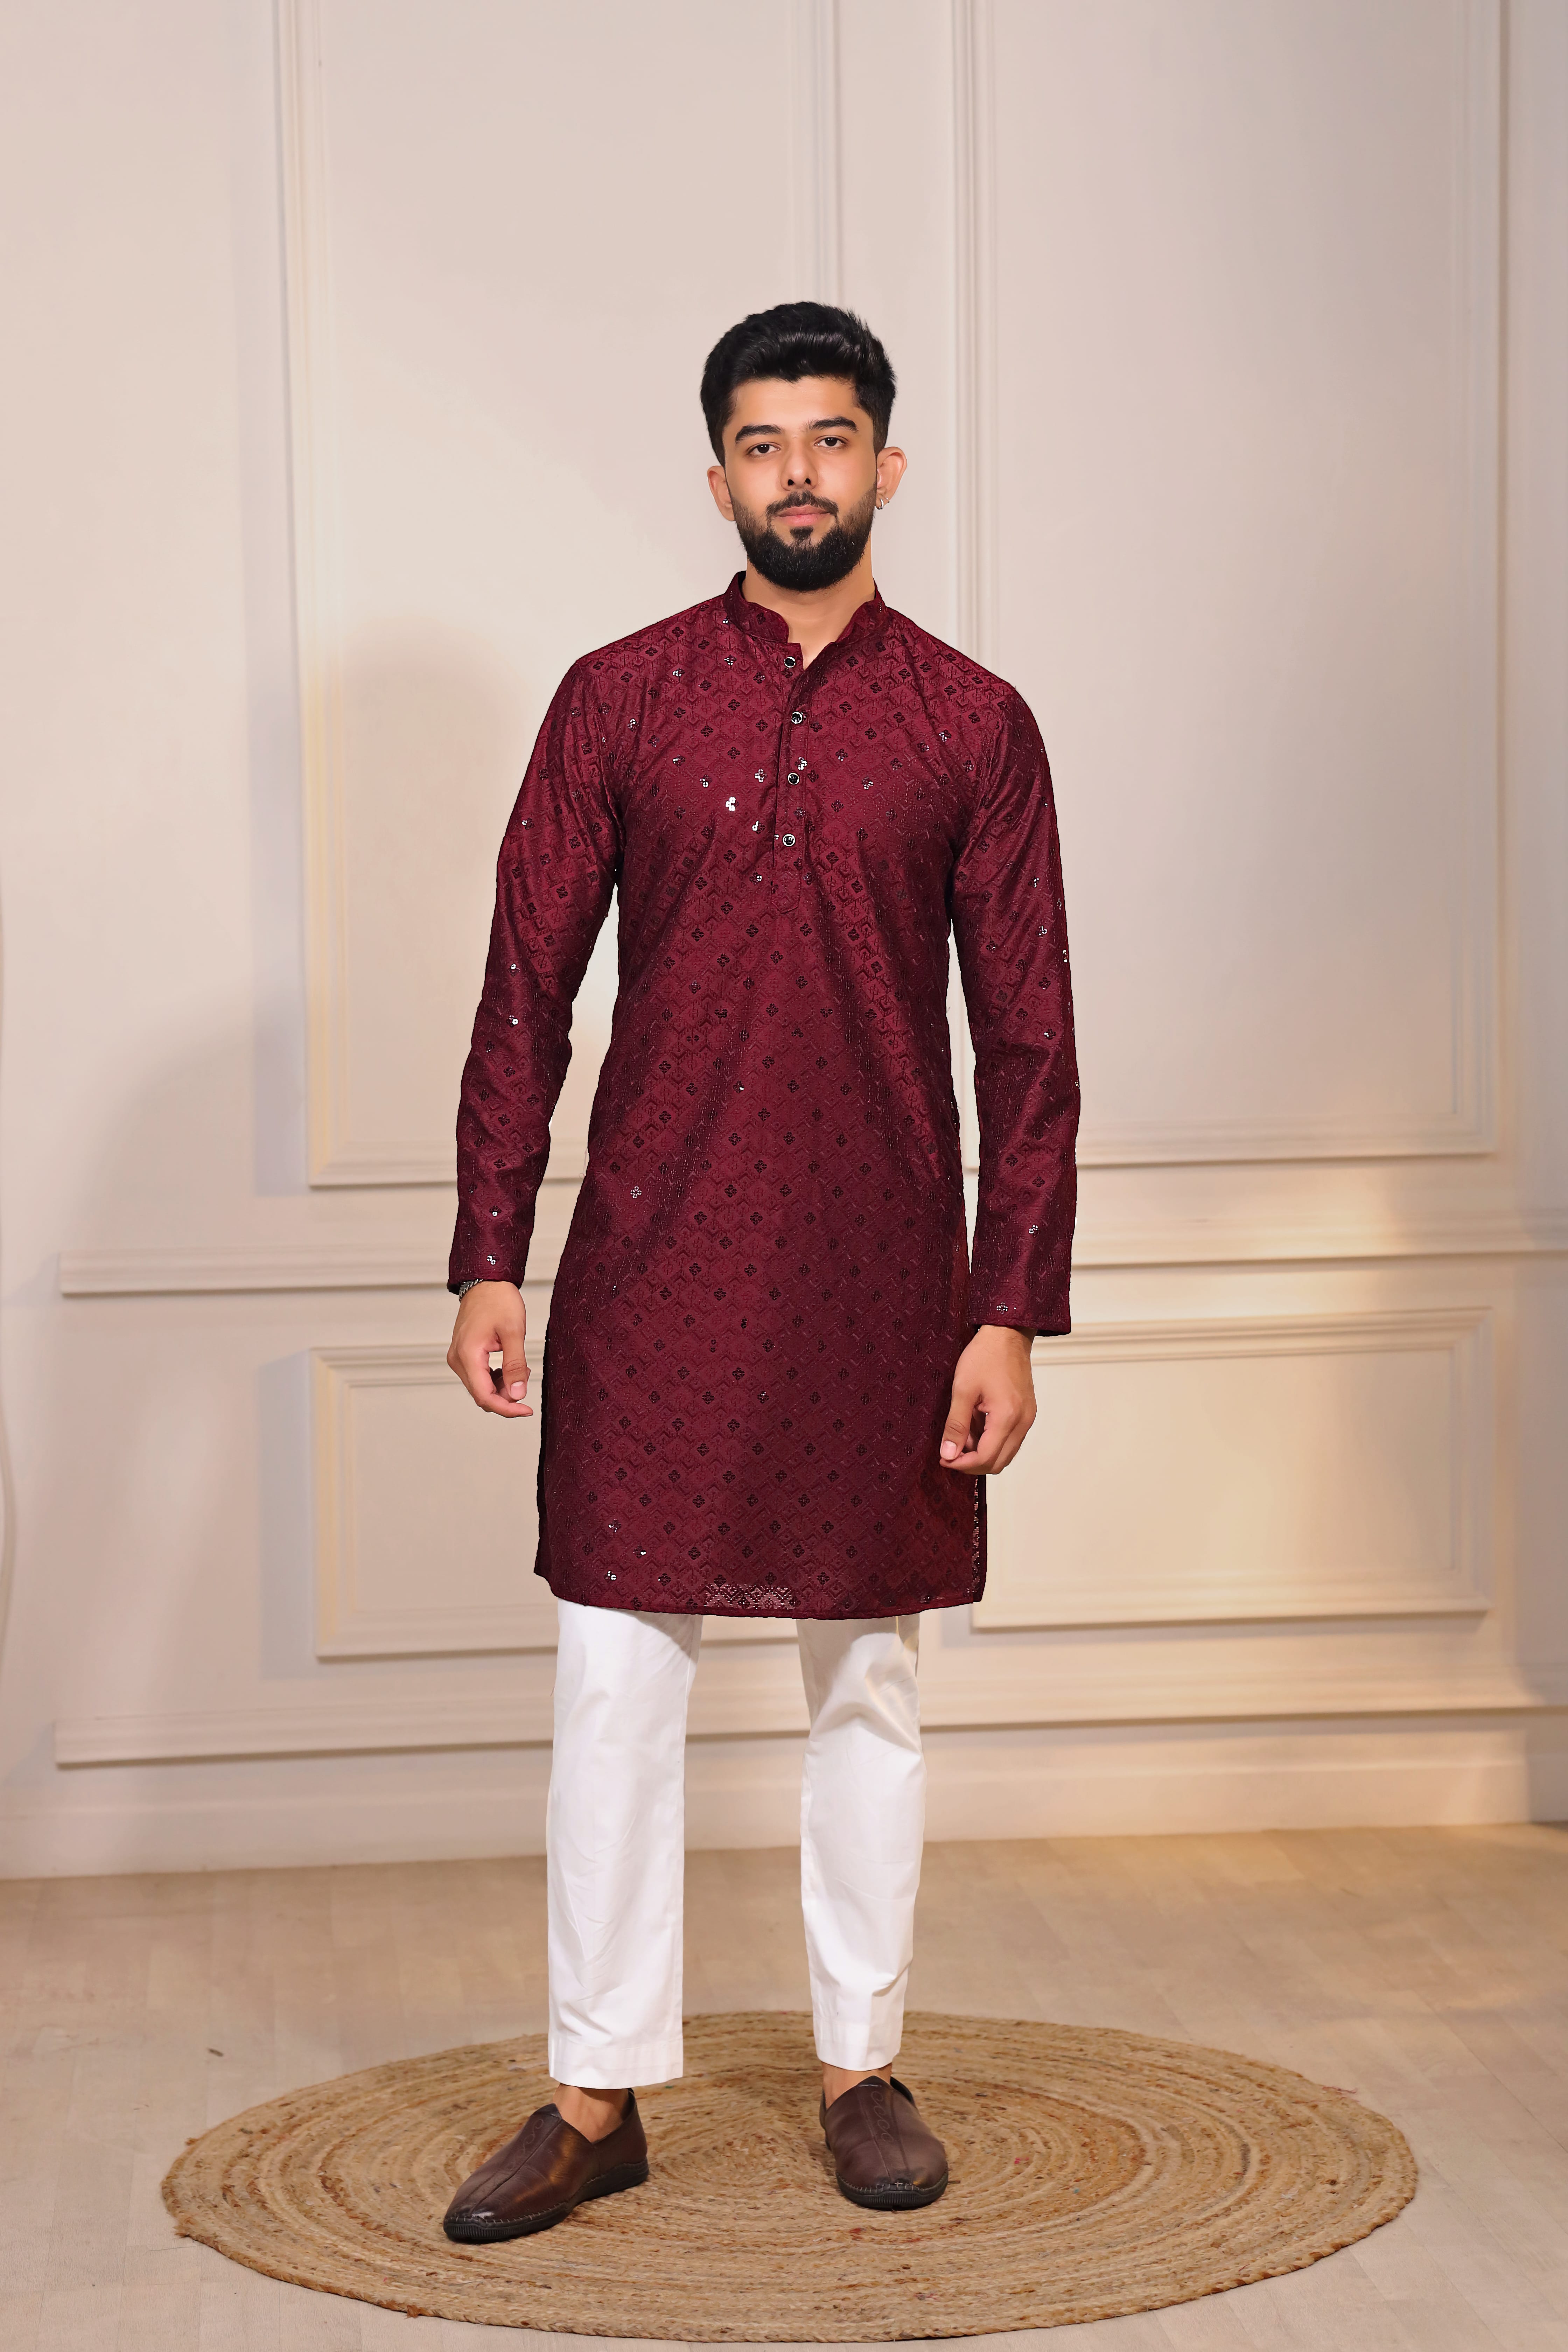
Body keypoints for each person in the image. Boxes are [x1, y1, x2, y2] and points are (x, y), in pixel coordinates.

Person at [440, 302, 1079, 2241]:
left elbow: (1030, 1042)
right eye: (761, 442)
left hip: (885, 1279)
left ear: (888, 465)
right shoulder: (617, 700)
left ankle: (860, 2068)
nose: (798, 472)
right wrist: (491, 1253)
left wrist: (1008, 1308)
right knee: (614, 1682)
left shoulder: (972, 724)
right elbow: (526, 991)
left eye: (831, 438)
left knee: (867, 1679)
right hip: (651, 1263)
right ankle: (595, 2092)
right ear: (716, 476)